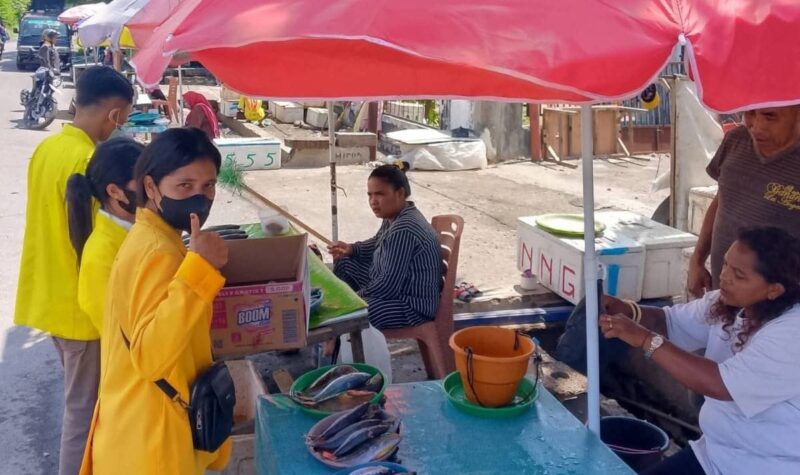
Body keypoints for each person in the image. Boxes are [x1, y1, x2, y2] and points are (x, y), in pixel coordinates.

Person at [81, 128, 231, 474]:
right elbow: (151, 356)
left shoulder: (151, 236)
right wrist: (201, 268)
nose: (200, 197)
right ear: (150, 187)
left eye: (208, 186)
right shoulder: (158, 251)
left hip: (137, 422)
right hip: (153, 437)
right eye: (185, 186)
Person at [600, 226, 800, 475]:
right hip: (715, 453)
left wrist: (645, 340)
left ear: (775, 290)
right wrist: (628, 310)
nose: (724, 276)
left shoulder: (792, 332)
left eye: (738, 275)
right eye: (726, 264)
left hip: (767, 465)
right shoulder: (728, 302)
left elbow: (719, 384)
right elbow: (670, 322)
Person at [14, 65, 133, 475]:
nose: (124, 125)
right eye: (126, 118)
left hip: (49, 297)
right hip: (81, 309)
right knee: (83, 411)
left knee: (82, 402)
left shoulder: (48, 149)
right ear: (114, 114)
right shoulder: (90, 161)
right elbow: (99, 240)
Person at [688, 106, 800, 297]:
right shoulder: (735, 140)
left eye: (769, 115)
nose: (755, 126)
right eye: (749, 113)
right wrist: (697, 260)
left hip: (780, 305)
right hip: (722, 292)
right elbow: (722, 198)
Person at [328, 164, 442, 329]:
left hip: (411, 305)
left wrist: (352, 297)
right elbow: (377, 242)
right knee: (344, 264)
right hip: (396, 290)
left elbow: (387, 287)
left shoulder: (404, 229)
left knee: (349, 313)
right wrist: (352, 249)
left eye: (380, 194)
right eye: (370, 195)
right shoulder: (396, 216)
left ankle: (340, 341)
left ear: (400, 193)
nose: (373, 201)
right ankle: (340, 330)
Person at [66, 138, 144, 334]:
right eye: (145, 183)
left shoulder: (137, 231)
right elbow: (123, 333)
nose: (154, 189)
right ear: (115, 192)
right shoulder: (100, 256)